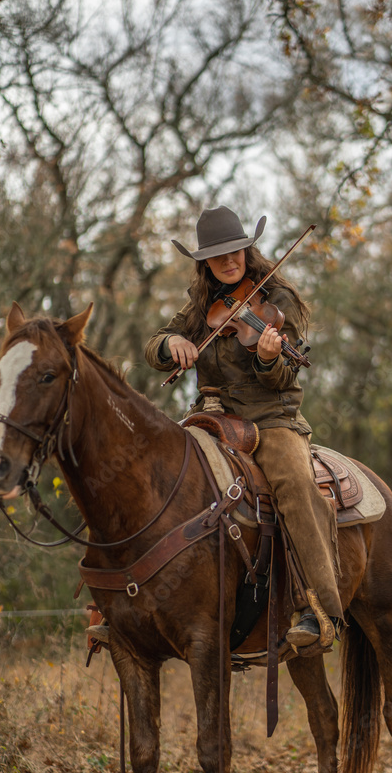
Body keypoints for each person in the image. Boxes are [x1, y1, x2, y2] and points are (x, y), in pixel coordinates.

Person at [144, 206, 343, 647]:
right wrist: (171, 342)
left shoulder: (278, 300)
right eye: (218, 257)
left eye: (235, 252)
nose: (229, 262)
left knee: (293, 483)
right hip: (211, 418)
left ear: (246, 250)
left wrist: (269, 359)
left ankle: (320, 611)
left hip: (269, 418)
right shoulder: (202, 306)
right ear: (204, 263)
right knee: (157, 471)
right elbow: (154, 342)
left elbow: (288, 378)